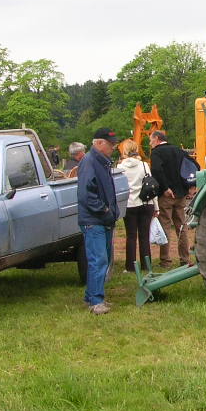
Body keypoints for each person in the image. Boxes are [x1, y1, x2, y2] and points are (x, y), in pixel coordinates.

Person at [77, 127, 120, 314]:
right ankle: (96, 301)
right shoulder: (90, 162)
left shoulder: (101, 162)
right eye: (111, 144)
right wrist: (104, 210)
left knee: (104, 259)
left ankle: (92, 295)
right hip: (94, 220)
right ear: (99, 143)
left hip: (102, 220)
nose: (114, 147)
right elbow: (86, 194)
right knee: (98, 260)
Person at [150, 129, 194, 267]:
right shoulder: (178, 150)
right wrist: (188, 186)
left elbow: (156, 170)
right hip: (180, 194)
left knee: (165, 226)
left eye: (151, 140)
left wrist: (164, 188)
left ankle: (165, 260)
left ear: (157, 138)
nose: (150, 143)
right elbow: (192, 166)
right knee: (181, 227)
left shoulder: (157, 152)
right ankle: (185, 259)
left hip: (166, 195)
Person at [116, 138, 159, 273]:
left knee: (131, 236)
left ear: (125, 151)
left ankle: (130, 266)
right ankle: (147, 265)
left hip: (129, 205)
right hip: (145, 203)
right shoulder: (144, 166)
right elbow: (151, 186)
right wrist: (156, 207)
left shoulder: (120, 168)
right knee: (144, 236)